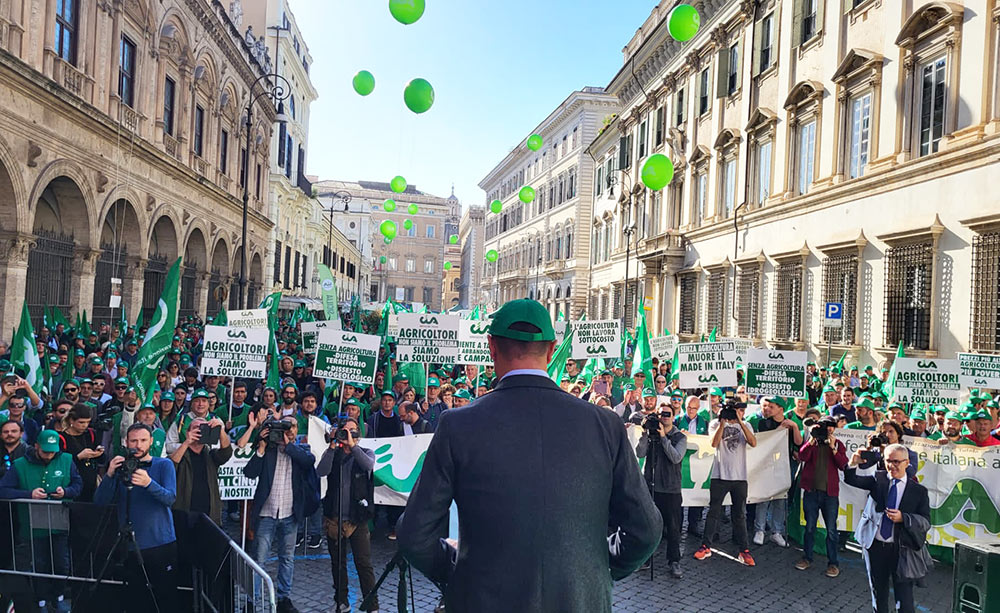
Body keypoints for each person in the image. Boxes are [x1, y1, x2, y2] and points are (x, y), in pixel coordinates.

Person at [396, 299, 661, 612]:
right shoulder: (605, 424)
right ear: (551, 351)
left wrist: (459, 571)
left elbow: (414, 534)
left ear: (491, 347)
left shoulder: (458, 424)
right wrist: (595, 572)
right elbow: (645, 530)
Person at [94, 422, 179, 612]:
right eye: (134, 441)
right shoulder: (121, 468)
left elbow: (170, 498)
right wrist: (109, 474)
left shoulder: (164, 465)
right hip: (130, 544)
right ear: (126, 442)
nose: (138, 445)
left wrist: (149, 483)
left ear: (151, 441)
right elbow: (100, 502)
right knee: (135, 598)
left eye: (142, 440)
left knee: (165, 595)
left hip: (160, 542)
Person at [243, 415, 318, 613]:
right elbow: (249, 473)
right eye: (283, 427)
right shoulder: (267, 450)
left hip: (290, 514)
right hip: (267, 512)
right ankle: (253, 600)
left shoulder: (301, 449)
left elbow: (309, 461)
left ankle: (284, 598)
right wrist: (260, 447)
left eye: (291, 426)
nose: (288, 431)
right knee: (259, 559)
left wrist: (288, 446)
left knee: (287, 558)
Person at [0, 429, 82, 613]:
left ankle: (59, 597)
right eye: (45, 451)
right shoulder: (19, 464)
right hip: (32, 523)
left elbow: (78, 485)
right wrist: (28, 494)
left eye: (52, 452)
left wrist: (66, 492)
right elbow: (3, 489)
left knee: (61, 563)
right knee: (39, 564)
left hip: (60, 522)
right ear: (36, 446)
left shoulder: (67, 460)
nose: (49, 455)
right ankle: (42, 600)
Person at [845, 443, 931, 613]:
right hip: (876, 547)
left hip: (903, 551)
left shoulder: (918, 491)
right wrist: (852, 463)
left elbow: (926, 521)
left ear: (907, 463)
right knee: (879, 597)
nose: (892, 466)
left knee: (905, 602)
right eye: (888, 461)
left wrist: (903, 518)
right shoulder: (879, 479)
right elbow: (852, 479)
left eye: (897, 462)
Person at [316, 418, 377, 613]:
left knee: (364, 564)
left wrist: (353, 446)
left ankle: (371, 603)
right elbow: (321, 471)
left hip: (357, 518)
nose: (348, 434)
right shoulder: (335, 454)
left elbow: (367, 465)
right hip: (334, 517)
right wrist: (333, 447)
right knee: (338, 564)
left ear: (358, 435)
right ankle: (341, 600)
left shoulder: (365, 452)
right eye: (345, 431)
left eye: (353, 431)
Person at [694, 403, 757, 566]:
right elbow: (714, 443)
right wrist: (723, 422)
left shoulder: (746, 424)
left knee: (739, 514)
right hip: (719, 476)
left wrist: (740, 422)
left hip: (739, 477)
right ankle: (705, 546)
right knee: (713, 512)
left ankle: (744, 550)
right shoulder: (715, 423)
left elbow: (753, 442)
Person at [635, 403, 687, 578]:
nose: (664, 417)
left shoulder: (679, 437)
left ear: (673, 416)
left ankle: (674, 561)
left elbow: (675, 457)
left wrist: (664, 438)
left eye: (668, 414)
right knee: (648, 524)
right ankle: (645, 558)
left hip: (671, 488)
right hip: (651, 486)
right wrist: (645, 434)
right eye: (662, 414)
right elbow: (640, 453)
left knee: (673, 528)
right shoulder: (651, 434)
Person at [796, 416, 848, 577]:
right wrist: (812, 439)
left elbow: (843, 464)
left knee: (831, 530)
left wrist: (833, 447)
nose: (828, 429)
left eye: (831, 426)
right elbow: (802, 456)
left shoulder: (838, 444)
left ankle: (833, 563)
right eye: (825, 427)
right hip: (812, 492)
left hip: (830, 495)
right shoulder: (814, 443)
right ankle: (807, 558)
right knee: (810, 527)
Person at [170, 413, 232, 524]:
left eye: (203, 428)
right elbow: (170, 467)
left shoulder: (210, 455)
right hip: (184, 515)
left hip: (209, 514)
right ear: (188, 432)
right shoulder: (181, 454)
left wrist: (220, 431)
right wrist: (187, 442)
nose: (199, 431)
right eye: (195, 428)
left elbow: (226, 453)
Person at [58, 403, 103, 502]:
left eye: (88, 422)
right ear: (71, 420)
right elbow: (60, 463)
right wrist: (78, 457)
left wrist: (99, 453)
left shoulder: (91, 434)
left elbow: (102, 459)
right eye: (81, 422)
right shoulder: (62, 438)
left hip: (91, 483)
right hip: (72, 484)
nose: (85, 426)